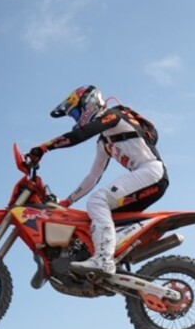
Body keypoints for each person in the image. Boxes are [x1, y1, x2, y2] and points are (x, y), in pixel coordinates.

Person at [26, 85, 168, 276]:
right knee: (98, 216)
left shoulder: (114, 116)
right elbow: (93, 176)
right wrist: (68, 201)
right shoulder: (104, 142)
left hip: (150, 171)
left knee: (97, 200)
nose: (77, 119)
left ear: (89, 103)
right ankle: (114, 262)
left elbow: (78, 136)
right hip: (148, 179)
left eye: (76, 113)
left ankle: (103, 260)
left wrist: (43, 148)